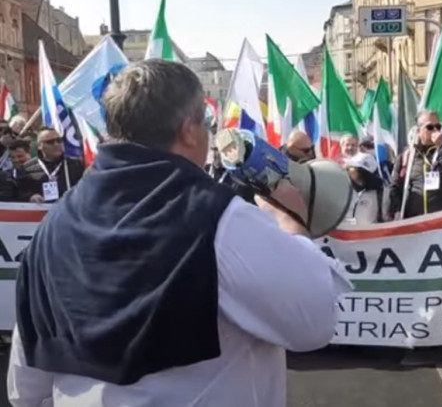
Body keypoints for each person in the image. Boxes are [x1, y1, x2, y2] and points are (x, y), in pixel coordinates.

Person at [9, 59, 350, 407]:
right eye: (205, 123)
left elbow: (27, 384)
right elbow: (314, 322)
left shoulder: (52, 227)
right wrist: (292, 225)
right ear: (189, 130)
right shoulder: (220, 218)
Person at [387, 110, 442, 219]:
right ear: (419, 130)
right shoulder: (407, 156)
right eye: (430, 127)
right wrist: (397, 212)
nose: (435, 130)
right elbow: (394, 188)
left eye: (438, 126)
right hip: (415, 222)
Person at [16, 127, 84, 203]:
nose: (56, 144)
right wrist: (31, 196)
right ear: (39, 146)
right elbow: (21, 192)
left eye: (59, 141)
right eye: (50, 142)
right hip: (41, 211)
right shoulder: (28, 167)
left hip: (68, 209)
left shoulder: (75, 165)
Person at [344, 152, 383, 224]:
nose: (347, 170)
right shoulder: (343, 190)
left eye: (351, 168)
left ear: (361, 172)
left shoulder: (381, 194)